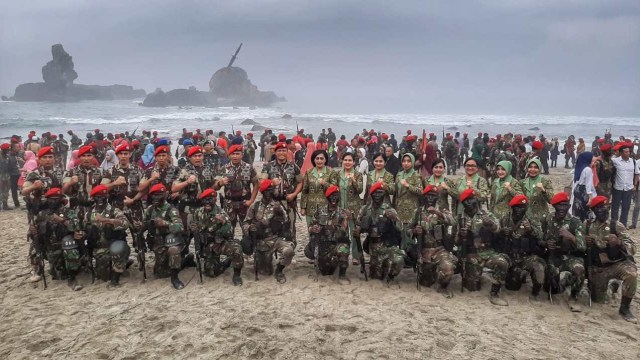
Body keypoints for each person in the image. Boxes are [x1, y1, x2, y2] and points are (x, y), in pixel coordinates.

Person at [584, 196, 637, 323]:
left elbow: (632, 248)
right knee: (599, 300)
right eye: (599, 208)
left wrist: (619, 243)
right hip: (599, 268)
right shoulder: (587, 225)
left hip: (616, 264)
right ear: (594, 211)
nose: (603, 210)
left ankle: (624, 308)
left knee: (632, 274)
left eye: (605, 207)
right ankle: (613, 287)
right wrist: (586, 243)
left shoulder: (616, 225)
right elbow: (579, 246)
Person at [457, 189, 508, 306]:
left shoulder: (487, 215)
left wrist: (490, 224)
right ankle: (477, 276)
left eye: (471, 199)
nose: (469, 203)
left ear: (477, 200)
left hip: (488, 252)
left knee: (502, 263)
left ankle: (494, 293)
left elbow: (498, 230)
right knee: (472, 287)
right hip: (471, 254)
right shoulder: (460, 218)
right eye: (465, 201)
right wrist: (461, 235)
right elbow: (456, 242)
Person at [242, 180, 295, 283]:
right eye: (267, 191)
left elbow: (286, 223)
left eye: (271, 190)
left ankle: (279, 270)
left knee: (289, 251)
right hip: (261, 242)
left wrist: (279, 215)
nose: (269, 193)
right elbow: (245, 223)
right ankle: (265, 259)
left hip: (275, 239)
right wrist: (250, 228)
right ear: (262, 192)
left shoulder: (278, 206)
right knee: (265, 272)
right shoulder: (255, 206)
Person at [31, 188, 84, 291]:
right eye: (51, 199)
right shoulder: (42, 214)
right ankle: (36, 270)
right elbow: (34, 231)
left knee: (69, 245)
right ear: (47, 200)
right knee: (57, 274)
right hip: (50, 247)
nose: (54, 202)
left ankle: (72, 278)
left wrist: (62, 220)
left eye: (56, 199)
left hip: (65, 246)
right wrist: (32, 230)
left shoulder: (68, 212)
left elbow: (77, 227)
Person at [542, 192, 588, 312]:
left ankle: (573, 297)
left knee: (579, 268)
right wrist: (545, 243)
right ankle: (563, 281)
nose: (562, 208)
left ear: (569, 206)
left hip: (570, 256)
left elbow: (583, 246)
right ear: (554, 206)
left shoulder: (575, 222)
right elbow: (540, 237)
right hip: (553, 256)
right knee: (551, 288)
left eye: (565, 205)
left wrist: (571, 237)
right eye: (559, 205)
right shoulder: (548, 219)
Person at [409, 185, 457, 297]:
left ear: (437, 197)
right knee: (426, 282)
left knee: (448, 269)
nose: (431, 198)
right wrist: (415, 231)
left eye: (434, 196)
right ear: (424, 197)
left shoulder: (442, 210)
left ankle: (442, 287)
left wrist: (438, 213)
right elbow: (407, 230)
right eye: (428, 195)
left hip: (439, 249)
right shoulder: (418, 212)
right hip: (424, 249)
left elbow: (453, 222)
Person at [191, 188, 243, 286]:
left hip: (220, 243)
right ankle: (225, 263)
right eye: (205, 200)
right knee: (210, 272)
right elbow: (195, 228)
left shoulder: (221, 213)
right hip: (207, 245)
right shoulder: (198, 213)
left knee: (237, 249)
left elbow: (230, 231)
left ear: (214, 200)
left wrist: (223, 222)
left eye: (209, 200)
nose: (207, 203)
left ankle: (236, 275)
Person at [497, 195, 545, 298]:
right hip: (509, 256)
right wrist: (501, 233)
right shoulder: (504, 219)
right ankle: (519, 274)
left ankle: (535, 291)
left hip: (526, 257)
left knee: (539, 270)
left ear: (526, 208)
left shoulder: (531, 220)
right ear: (512, 207)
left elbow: (541, 237)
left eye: (522, 207)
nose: (519, 210)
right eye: (516, 207)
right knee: (512, 286)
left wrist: (531, 230)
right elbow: (495, 238)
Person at [354, 183, 403, 283]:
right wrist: (358, 230)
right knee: (376, 276)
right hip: (373, 246)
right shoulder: (365, 209)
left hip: (388, 244)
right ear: (371, 195)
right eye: (375, 193)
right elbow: (358, 225)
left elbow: (400, 227)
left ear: (384, 194)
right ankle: (380, 267)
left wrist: (393, 219)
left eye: (380, 193)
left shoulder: (389, 209)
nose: (377, 195)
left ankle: (390, 276)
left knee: (399, 260)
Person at [84, 185, 130, 286]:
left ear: (107, 197)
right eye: (98, 197)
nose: (100, 199)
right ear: (93, 198)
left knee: (118, 251)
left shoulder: (114, 211)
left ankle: (115, 279)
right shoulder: (88, 214)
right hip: (98, 247)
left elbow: (125, 223)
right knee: (103, 275)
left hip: (114, 245)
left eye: (103, 196)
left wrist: (108, 220)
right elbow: (84, 230)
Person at [306, 185, 351, 283]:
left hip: (335, 245)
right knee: (326, 272)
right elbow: (310, 226)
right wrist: (313, 229)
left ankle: (342, 275)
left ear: (339, 197)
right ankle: (330, 262)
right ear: (327, 198)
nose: (333, 198)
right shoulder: (320, 211)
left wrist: (346, 221)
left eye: (336, 195)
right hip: (322, 246)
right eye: (331, 196)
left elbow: (345, 234)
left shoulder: (343, 213)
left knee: (344, 248)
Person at [260, 142, 303, 240]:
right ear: (275, 152)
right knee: (271, 228)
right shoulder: (268, 166)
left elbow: (300, 182)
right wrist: (271, 182)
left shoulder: (293, 166)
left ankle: (289, 249)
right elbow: (261, 183)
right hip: (272, 203)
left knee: (290, 228)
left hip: (289, 202)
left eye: (284, 150)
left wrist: (294, 194)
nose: (282, 153)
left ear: (287, 152)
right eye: (279, 151)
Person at [214, 144, 259, 232]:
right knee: (228, 229)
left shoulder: (249, 168)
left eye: (237, 154)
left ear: (242, 154)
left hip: (245, 203)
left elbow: (256, 184)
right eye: (233, 154)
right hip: (229, 203)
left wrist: (251, 201)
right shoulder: (224, 169)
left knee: (247, 230)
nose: (235, 156)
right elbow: (215, 186)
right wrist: (220, 183)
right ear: (229, 155)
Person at [393, 153, 424, 254]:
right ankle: (402, 253)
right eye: (404, 161)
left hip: (412, 209)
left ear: (413, 162)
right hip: (399, 207)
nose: (406, 163)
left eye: (408, 161)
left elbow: (421, 191)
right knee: (400, 231)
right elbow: (396, 193)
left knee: (409, 232)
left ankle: (410, 255)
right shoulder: (399, 174)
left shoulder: (416, 175)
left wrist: (408, 185)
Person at [300, 149, 333, 225]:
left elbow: (334, 189)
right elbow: (305, 190)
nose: (319, 161)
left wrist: (324, 183)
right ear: (313, 160)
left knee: (325, 233)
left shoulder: (331, 172)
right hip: (311, 208)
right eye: (317, 158)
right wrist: (303, 207)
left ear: (325, 160)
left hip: (325, 208)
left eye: (321, 158)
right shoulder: (309, 172)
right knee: (312, 232)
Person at [610, 143, 639, 227]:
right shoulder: (615, 161)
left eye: (628, 152)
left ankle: (623, 225)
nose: (628, 153)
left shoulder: (633, 162)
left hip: (629, 188)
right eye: (626, 152)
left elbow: (637, 174)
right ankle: (613, 225)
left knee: (625, 208)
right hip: (617, 188)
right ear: (621, 153)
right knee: (615, 208)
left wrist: (635, 185)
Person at [520, 159, 553, 223]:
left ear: (540, 169)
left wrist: (543, 190)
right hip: (526, 218)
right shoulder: (522, 182)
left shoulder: (545, 182)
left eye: (535, 167)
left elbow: (551, 200)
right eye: (530, 167)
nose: (532, 170)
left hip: (541, 218)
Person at [571, 152, 596, 221]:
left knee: (577, 208)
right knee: (585, 210)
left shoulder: (580, 167)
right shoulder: (588, 169)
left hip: (578, 189)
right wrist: (591, 197)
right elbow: (588, 184)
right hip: (584, 191)